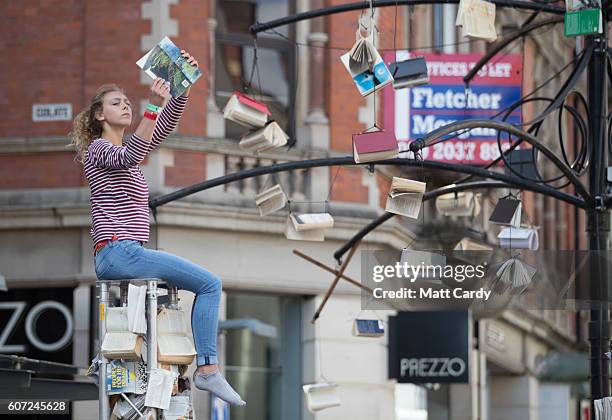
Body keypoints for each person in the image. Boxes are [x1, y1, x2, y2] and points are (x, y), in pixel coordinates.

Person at [69, 50, 245, 406]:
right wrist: (151, 104)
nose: (126, 107)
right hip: (118, 251)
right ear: (100, 114)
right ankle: (208, 370)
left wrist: (180, 86)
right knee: (210, 284)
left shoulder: (123, 149)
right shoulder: (98, 150)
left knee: (203, 284)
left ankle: (197, 372)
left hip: (126, 253)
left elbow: (160, 128)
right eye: (117, 103)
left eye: (127, 103)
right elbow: (129, 154)